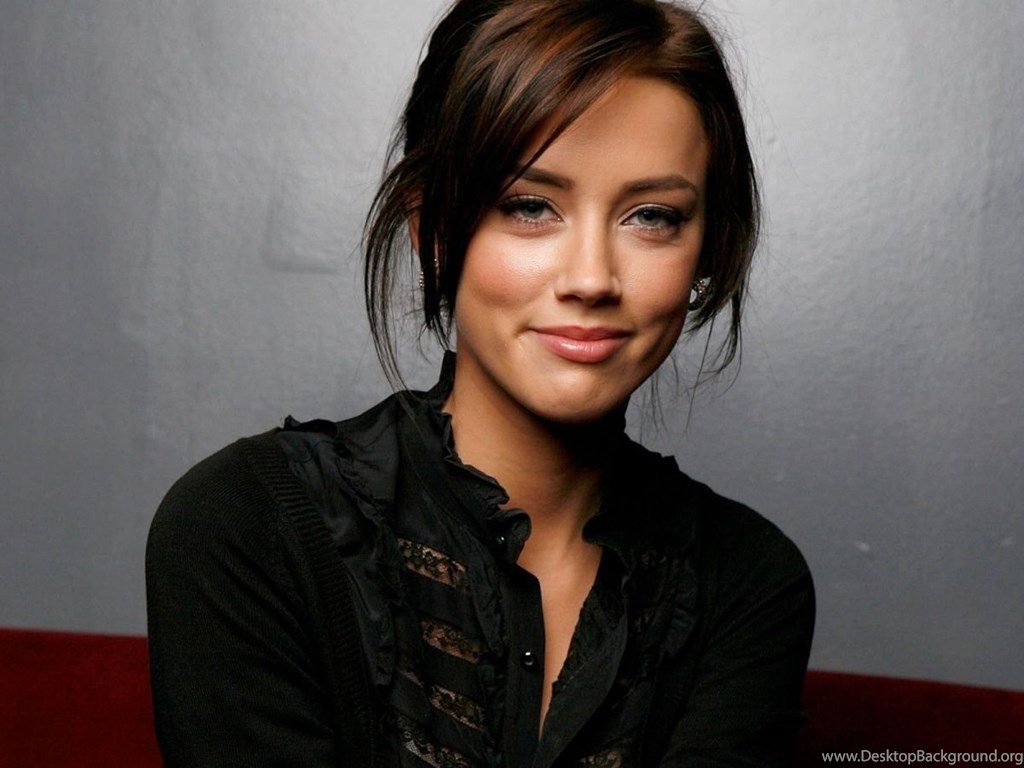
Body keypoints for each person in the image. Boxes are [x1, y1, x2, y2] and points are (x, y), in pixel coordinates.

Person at [145, 0, 815, 766]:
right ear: (432, 230)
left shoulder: (749, 585)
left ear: (707, 248)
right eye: (530, 207)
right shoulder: (246, 526)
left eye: (652, 216)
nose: (591, 278)